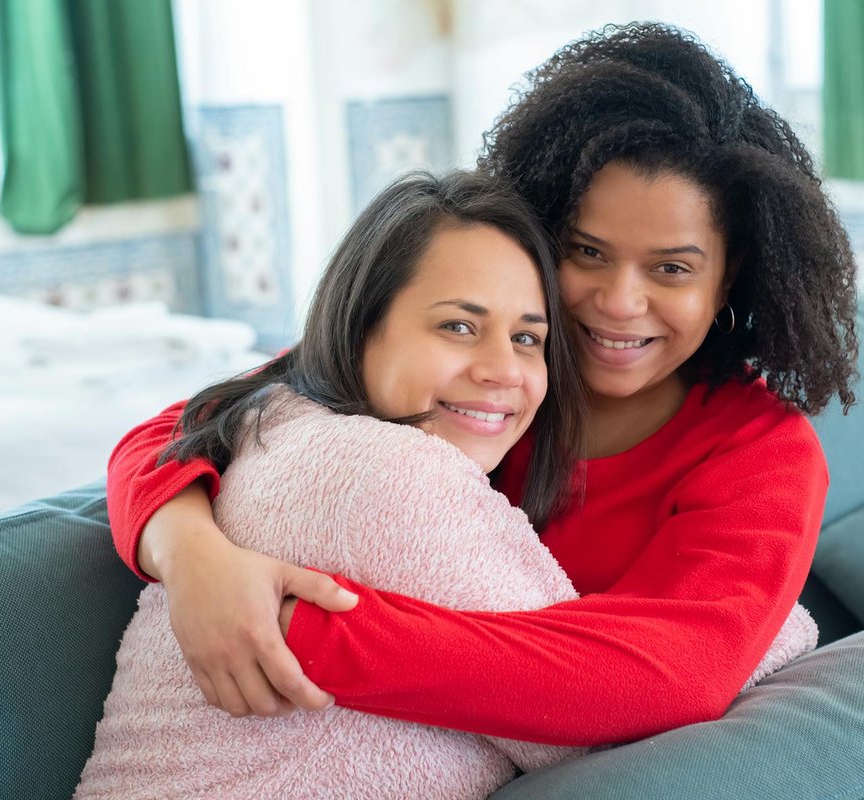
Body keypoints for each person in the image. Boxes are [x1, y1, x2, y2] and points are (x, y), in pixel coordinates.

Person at [106, 22, 857, 747]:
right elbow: (191, 423)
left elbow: (665, 675)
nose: (619, 301)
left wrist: (289, 628)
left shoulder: (762, 454)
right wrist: (193, 561)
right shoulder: (478, 361)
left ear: (731, 280)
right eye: (586, 252)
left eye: (672, 269)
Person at [77, 170, 589, 799]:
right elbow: (585, 718)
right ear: (360, 327)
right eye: (458, 326)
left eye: (526, 338)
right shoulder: (390, 477)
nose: (503, 370)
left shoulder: (276, 421)